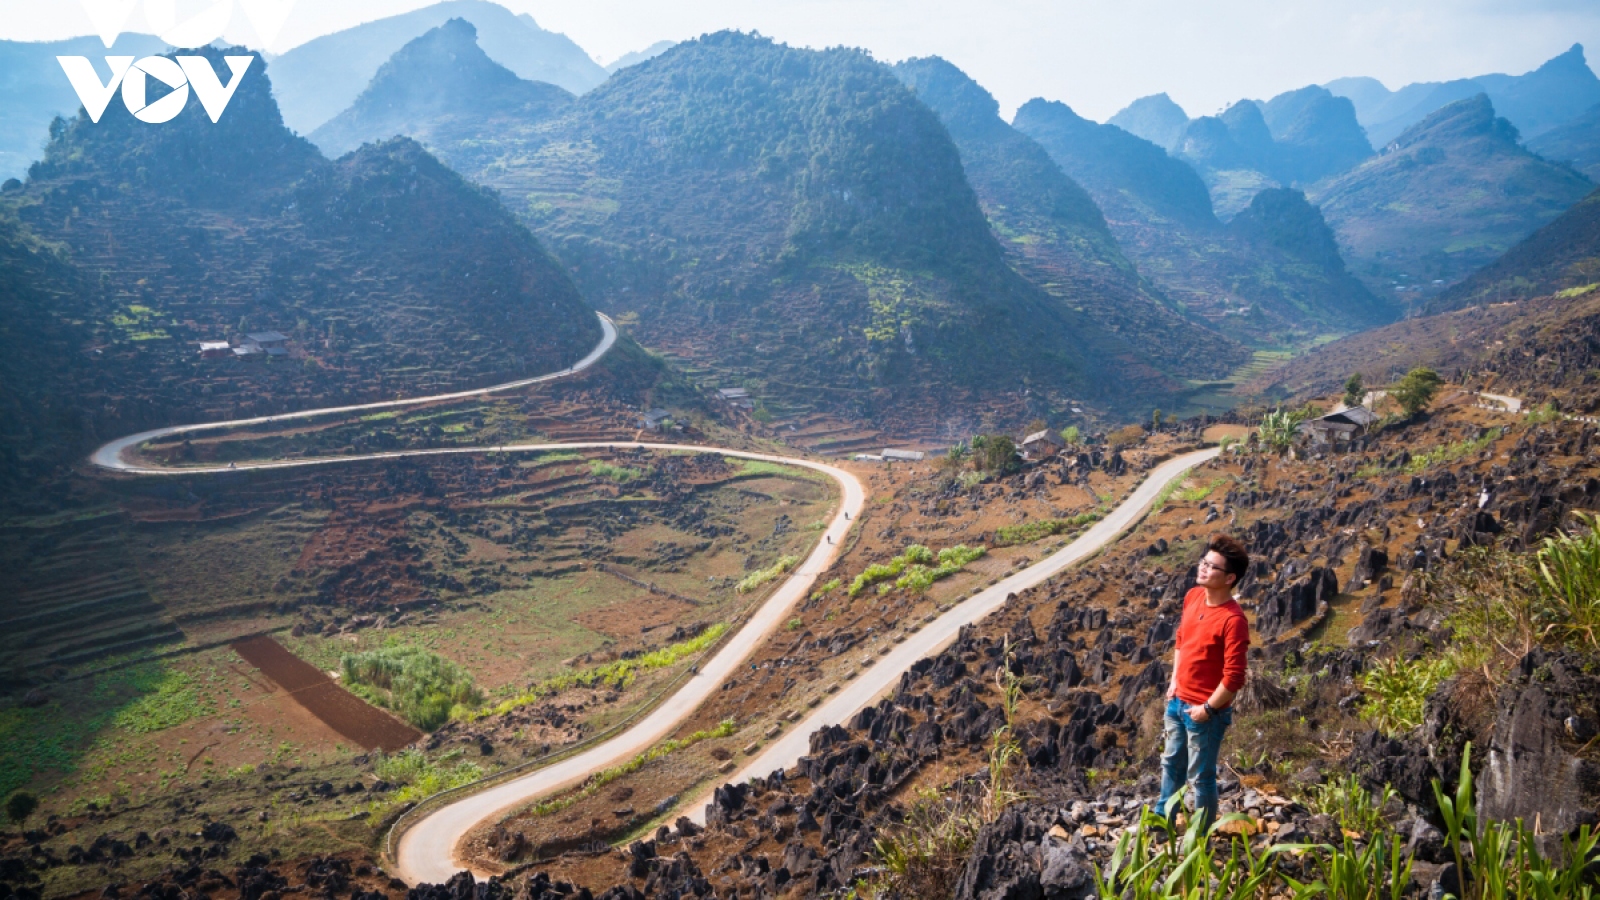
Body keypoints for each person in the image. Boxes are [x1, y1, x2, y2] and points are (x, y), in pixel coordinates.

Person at [1154, 534, 1250, 834]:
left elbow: (1234, 677)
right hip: (1178, 701)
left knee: (1201, 776)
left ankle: (1200, 834)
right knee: (1171, 763)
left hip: (1205, 712)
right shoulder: (1193, 596)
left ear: (1230, 578)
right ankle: (1163, 820)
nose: (1204, 569)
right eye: (1204, 562)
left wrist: (1207, 708)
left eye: (1213, 567)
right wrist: (1174, 681)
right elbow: (1182, 640)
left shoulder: (1233, 620)